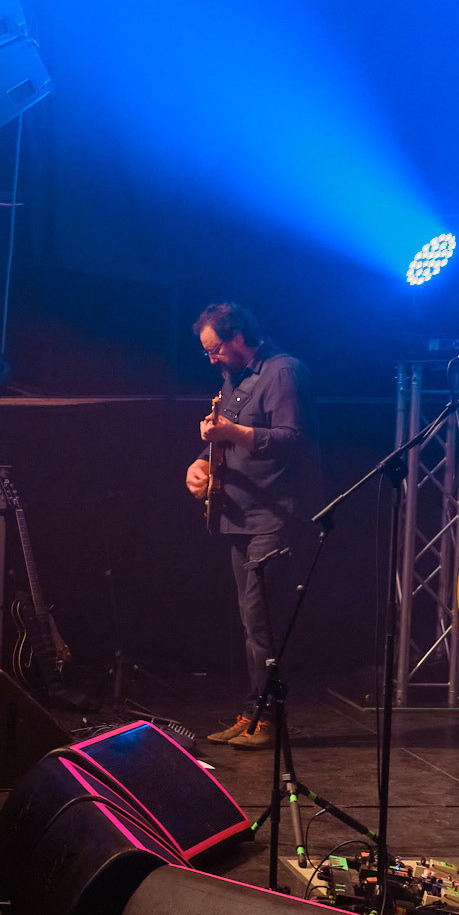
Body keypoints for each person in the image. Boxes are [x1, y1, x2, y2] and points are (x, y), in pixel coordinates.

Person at [180, 301, 320, 750]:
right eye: (207, 351)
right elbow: (227, 439)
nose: (211, 359)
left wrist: (233, 433)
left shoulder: (284, 372)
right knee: (251, 623)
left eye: (215, 349)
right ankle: (253, 712)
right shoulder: (234, 378)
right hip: (239, 516)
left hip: (274, 516)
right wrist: (201, 464)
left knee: (262, 621)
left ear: (238, 337)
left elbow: (293, 439)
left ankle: (268, 719)